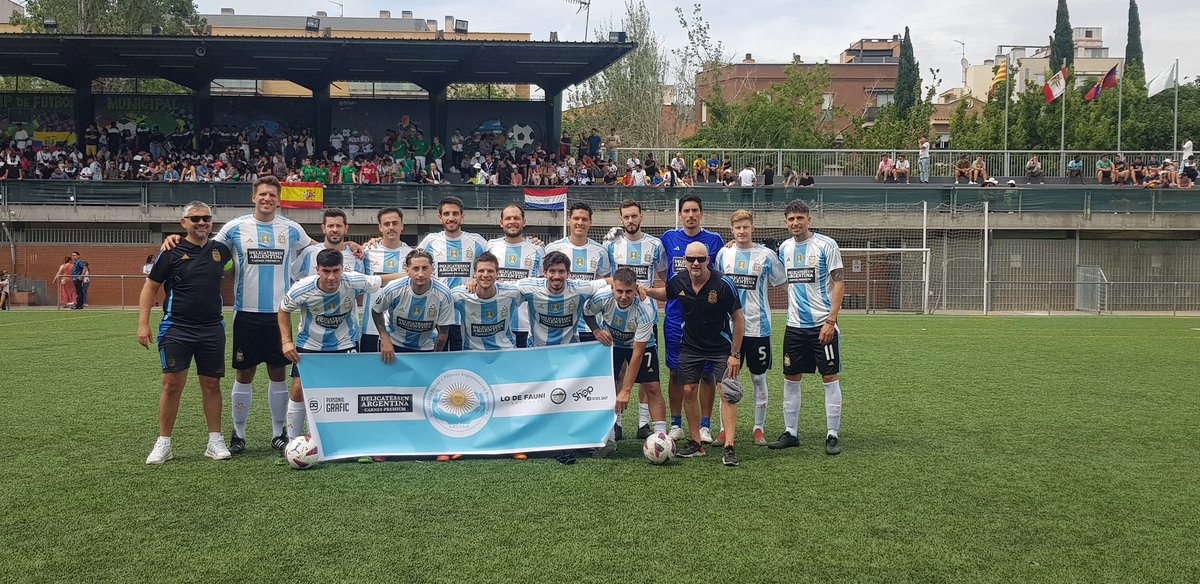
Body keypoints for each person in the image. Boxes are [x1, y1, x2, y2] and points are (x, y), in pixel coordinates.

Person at [165, 176, 323, 455]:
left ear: (278, 198)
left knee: (277, 372)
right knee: (244, 373)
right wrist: (174, 238)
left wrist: (350, 247)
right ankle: (238, 434)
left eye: (272, 195)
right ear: (254, 197)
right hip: (245, 314)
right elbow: (203, 244)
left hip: (279, 314)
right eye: (262, 194)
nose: (267, 199)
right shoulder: (235, 227)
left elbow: (317, 248)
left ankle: (279, 433)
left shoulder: (291, 228)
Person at [137, 201, 233, 464]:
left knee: (211, 385)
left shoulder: (221, 252)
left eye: (206, 218)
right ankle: (164, 443)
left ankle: (215, 441)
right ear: (183, 223)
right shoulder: (170, 251)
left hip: (212, 327)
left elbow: (230, 271)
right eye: (195, 219)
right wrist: (143, 323)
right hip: (177, 327)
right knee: (171, 385)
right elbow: (150, 287)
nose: (201, 223)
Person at [278, 249, 398, 451]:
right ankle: (292, 443)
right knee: (298, 388)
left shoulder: (352, 281)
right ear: (317, 270)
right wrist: (286, 341)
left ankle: (348, 440)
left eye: (336, 270)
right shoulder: (302, 288)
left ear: (343, 269)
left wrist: (411, 275)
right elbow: (283, 310)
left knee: (348, 391)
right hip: (310, 344)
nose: (332, 276)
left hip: (345, 344)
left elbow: (381, 280)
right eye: (326, 271)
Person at [642, 242, 744, 466]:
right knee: (688, 390)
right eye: (690, 259)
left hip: (721, 347)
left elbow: (738, 319)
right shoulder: (679, 280)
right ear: (685, 261)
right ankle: (696, 443)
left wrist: (735, 354)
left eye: (700, 259)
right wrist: (647, 291)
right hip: (690, 345)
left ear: (708, 259)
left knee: (726, 391)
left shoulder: (724, 284)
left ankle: (729, 446)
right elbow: (667, 294)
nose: (695, 263)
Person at [771, 200, 845, 456]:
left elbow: (839, 284)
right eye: (791, 219)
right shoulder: (784, 248)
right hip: (794, 326)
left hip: (822, 325)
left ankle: (832, 435)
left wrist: (831, 321)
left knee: (829, 377)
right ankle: (791, 432)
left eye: (800, 218)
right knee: (791, 378)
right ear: (785, 222)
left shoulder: (826, 245)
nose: (795, 223)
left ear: (809, 219)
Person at [715, 210, 787, 446]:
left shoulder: (766, 255)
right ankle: (724, 429)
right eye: (737, 227)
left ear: (752, 228)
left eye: (746, 226)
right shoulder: (724, 254)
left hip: (758, 327)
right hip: (729, 329)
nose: (742, 231)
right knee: (726, 379)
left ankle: (759, 428)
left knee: (758, 378)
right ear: (732, 230)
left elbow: (781, 280)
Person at [659, 195, 725, 443]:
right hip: (675, 318)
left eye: (695, 210)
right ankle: (676, 424)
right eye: (686, 211)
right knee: (676, 373)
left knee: (707, 374)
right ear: (680, 215)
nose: (690, 215)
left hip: (706, 319)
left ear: (701, 213)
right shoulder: (668, 238)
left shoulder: (716, 241)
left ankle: (705, 426)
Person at [605, 200, 668, 439]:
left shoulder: (655, 245)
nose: (630, 220)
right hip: (618, 319)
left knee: (646, 376)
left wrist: (649, 292)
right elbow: (608, 279)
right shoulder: (612, 247)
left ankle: (643, 423)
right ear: (621, 220)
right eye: (626, 217)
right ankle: (617, 423)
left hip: (646, 318)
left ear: (641, 217)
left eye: (634, 216)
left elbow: (664, 278)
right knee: (619, 372)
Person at [585, 267, 665, 455]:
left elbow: (637, 353)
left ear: (636, 288)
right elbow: (587, 313)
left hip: (640, 345)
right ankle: (609, 439)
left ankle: (662, 438)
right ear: (613, 288)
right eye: (619, 291)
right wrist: (597, 330)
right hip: (612, 344)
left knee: (652, 387)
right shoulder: (601, 297)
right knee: (608, 387)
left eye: (629, 292)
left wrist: (627, 390)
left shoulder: (646, 308)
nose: (623, 296)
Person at [417, 196, 488, 351]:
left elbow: (492, 264)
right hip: (435, 313)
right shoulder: (429, 241)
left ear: (462, 216)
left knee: (462, 362)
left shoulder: (477, 242)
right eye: (447, 214)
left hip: (466, 315)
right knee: (435, 360)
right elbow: (413, 265)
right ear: (440, 217)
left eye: (455, 214)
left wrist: (476, 279)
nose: (451, 218)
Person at [546, 201, 611, 342]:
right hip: (560, 323)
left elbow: (604, 287)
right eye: (576, 218)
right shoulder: (553, 248)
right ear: (569, 220)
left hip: (589, 325)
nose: (580, 223)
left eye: (584, 219)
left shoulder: (600, 251)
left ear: (590, 223)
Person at [371, 249, 455, 358]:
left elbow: (443, 333)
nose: (420, 274)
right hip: (393, 343)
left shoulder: (444, 294)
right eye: (415, 269)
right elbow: (376, 310)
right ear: (407, 271)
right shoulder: (393, 288)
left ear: (432, 269)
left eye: (425, 268)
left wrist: (435, 356)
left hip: (425, 346)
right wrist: (384, 338)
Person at [485, 204, 544, 348]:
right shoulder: (490, 246)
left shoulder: (537, 249)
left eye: (516, 218)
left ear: (524, 222)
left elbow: (542, 283)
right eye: (508, 218)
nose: (512, 221)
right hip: (497, 321)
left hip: (527, 324)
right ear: (501, 223)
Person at [451, 252, 524, 350]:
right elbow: (441, 302)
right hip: (472, 352)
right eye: (481, 271)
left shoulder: (512, 293)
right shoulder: (459, 295)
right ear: (474, 273)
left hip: (506, 350)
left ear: (497, 274)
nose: (485, 275)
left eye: (490, 271)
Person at [292, 209, 364, 283]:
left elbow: (361, 289)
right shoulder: (309, 253)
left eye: (339, 226)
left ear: (346, 229)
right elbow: (293, 277)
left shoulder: (356, 256)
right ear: (323, 228)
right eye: (331, 226)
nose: (335, 229)